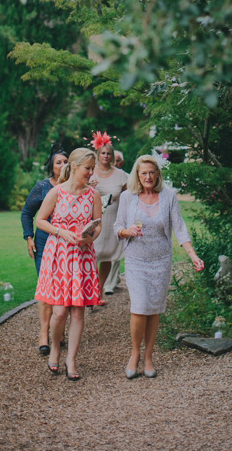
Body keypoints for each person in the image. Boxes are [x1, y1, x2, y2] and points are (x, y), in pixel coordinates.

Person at [115, 155, 203, 378]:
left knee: (154, 309)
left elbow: (180, 227)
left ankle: (148, 357)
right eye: (143, 173)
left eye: (151, 173)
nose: (148, 177)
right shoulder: (128, 197)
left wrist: (192, 255)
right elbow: (118, 227)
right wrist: (127, 231)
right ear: (137, 175)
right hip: (136, 260)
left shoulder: (168, 196)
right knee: (139, 306)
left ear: (158, 174)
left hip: (161, 260)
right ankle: (135, 353)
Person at [34, 147, 102, 381]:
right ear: (73, 166)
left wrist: (89, 237)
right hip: (59, 256)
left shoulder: (93, 194)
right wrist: (61, 232)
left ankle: (71, 359)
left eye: (92, 169)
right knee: (60, 310)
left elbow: (98, 224)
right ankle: (55, 347)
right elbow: (40, 220)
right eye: (88, 168)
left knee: (78, 311)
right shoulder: (57, 192)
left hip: (81, 257)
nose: (91, 173)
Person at [20, 145, 67, 355]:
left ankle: (59, 331)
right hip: (43, 242)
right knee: (46, 288)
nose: (63, 165)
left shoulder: (76, 187)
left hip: (67, 245)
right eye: (59, 162)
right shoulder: (42, 187)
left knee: (64, 287)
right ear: (52, 166)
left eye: (66, 162)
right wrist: (28, 237)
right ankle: (43, 335)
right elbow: (27, 212)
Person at [88, 132, 129, 304]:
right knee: (91, 255)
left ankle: (99, 291)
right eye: (103, 153)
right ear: (98, 154)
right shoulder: (90, 172)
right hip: (94, 219)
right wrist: (89, 187)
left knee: (106, 255)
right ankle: (88, 291)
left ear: (113, 156)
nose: (106, 156)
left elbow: (128, 196)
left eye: (108, 153)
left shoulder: (121, 175)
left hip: (112, 219)